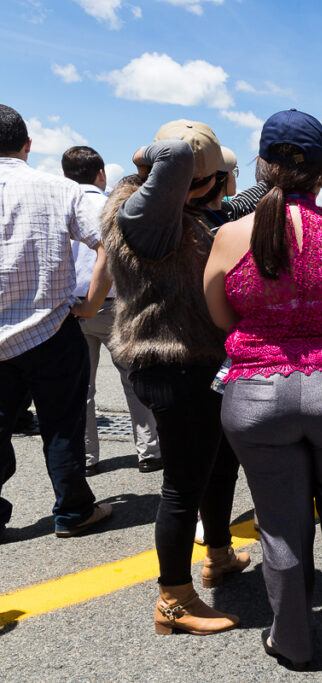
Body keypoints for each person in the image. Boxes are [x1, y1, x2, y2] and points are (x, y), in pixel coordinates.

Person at [205, 109, 322, 679]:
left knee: (280, 525)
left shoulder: (232, 236)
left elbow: (219, 313)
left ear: (261, 165)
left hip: (257, 395)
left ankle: (293, 643)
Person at [103, 119, 248, 635]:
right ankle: (173, 599)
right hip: (172, 362)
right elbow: (172, 157)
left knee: (216, 465)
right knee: (183, 487)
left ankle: (219, 555)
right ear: (194, 180)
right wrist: (164, 154)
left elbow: (234, 201)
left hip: (195, 362)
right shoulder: (147, 215)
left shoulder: (175, 212)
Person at [0, 104, 113, 540]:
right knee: (62, 424)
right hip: (50, 328)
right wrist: (91, 304)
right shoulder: (58, 188)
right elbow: (108, 242)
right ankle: (72, 511)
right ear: (28, 145)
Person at [63, 145, 161, 476]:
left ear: (66, 174)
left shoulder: (62, 206)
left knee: (81, 389)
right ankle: (148, 451)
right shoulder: (111, 207)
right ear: (101, 173)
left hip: (71, 310)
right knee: (133, 381)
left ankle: (88, 457)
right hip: (115, 306)